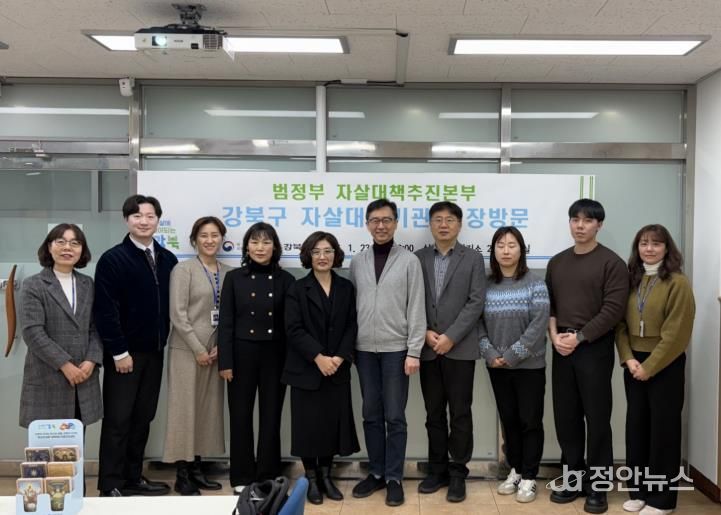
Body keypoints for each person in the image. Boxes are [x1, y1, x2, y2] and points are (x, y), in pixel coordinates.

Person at [545, 198, 629, 514]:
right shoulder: (557, 262)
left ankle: (598, 486)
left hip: (593, 347)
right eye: (575, 219)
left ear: (599, 225)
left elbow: (613, 310)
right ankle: (573, 479)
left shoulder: (612, 263)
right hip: (561, 347)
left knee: (597, 418)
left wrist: (579, 337)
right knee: (566, 417)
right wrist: (555, 336)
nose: (580, 226)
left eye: (587, 220)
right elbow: (550, 305)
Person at [94, 194, 178, 497]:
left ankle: (132, 478)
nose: (144, 221)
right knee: (118, 420)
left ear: (158, 220)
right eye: (137, 216)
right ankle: (110, 484)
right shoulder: (113, 259)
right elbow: (105, 311)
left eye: (150, 216)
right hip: (124, 355)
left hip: (155, 352)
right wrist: (119, 352)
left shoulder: (167, 259)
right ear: (126, 219)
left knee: (143, 417)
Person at [349, 198, 426, 507]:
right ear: (367, 224)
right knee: (370, 413)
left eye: (386, 220)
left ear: (395, 223)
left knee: (394, 416)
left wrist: (414, 350)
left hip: (397, 350)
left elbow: (416, 307)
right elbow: (352, 308)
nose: (380, 225)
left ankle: (394, 477)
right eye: (375, 220)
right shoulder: (358, 262)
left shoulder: (409, 262)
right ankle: (376, 472)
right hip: (364, 350)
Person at [615, 225, 695, 515]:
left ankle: (662, 500)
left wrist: (650, 366)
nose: (649, 249)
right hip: (634, 363)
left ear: (666, 248)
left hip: (665, 363)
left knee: (663, 430)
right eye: (643, 243)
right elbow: (619, 325)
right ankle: (639, 492)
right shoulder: (631, 279)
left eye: (656, 244)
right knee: (637, 428)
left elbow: (676, 333)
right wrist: (628, 358)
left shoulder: (678, 282)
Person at [414, 201, 486, 503]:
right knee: (433, 413)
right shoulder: (417, 258)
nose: (443, 225)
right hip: (428, 347)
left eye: (450, 220)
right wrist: (426, 333)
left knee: (460, 412)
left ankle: (458, 472)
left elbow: (476, 301)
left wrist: (451, 337)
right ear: (430, 224)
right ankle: (437, 470)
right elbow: (411, 299)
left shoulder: (473, 258)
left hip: (460, 348)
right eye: (438, 220)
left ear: (459, 224)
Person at [282, 231, 360, 505]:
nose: (322, 256)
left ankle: (326, 476)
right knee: (307, 426)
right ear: (308, 256)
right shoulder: (297, 288)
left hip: (336, 369)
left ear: (335, 255)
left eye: (327, 251)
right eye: (316, 252)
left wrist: (338, 357)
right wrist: (318, 357)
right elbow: (293, 329)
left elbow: (352, 325)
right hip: (306, 369)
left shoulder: (346, 287)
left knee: (331, 424)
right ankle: (311, 478)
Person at [217, 222, 295, 492]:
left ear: (275, 247)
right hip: (241, 355)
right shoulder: (234, 278)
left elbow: (290, 326)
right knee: (240, 416)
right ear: (246, 246)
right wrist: (225, 362)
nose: (260, 248)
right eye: (255, 242)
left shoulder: (286, 280)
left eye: (266, 242)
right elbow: (226, 323)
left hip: (275, 355)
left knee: (271, 416)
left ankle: (267, 474)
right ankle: (241, 476)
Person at [479, 226, 549, 504]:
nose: (506, 251)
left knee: (530, 421)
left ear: (522, 250)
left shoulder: (535, 284)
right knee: (509, 420)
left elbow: (538, 325)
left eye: (512, 245)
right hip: (496, 366)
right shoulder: (486, 285)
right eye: (500, 245)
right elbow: (478, 323)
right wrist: (489, 353)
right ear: (493, 251)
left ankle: (530, 476)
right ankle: (516, 470)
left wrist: (511, 355)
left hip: (529, 367)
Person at [162, 216, 232, 495]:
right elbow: (177, 314)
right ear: (194, 240)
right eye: (204, 235)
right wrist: (198, 349)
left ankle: (198, 468)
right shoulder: (184, 270)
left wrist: (221, 347)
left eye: (215, 235)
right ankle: (182, 473)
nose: (210, 240)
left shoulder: (228, 272)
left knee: (207, 410)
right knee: (184, 410)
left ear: (222, 239)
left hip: (215, 351)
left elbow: (231, 315)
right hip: (186, 350)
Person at [19, 224, 103, 430]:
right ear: (49, 247)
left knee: (76, 443)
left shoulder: (88, 284)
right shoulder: (34, 285)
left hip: (82, 378)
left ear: (82, 250)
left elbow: (97, 327)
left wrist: (92, 360)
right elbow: (33, 332)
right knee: (47, 446)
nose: (68, 248)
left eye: (75, 243)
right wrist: (65, 365)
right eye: (61, 242)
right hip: (48, 377)